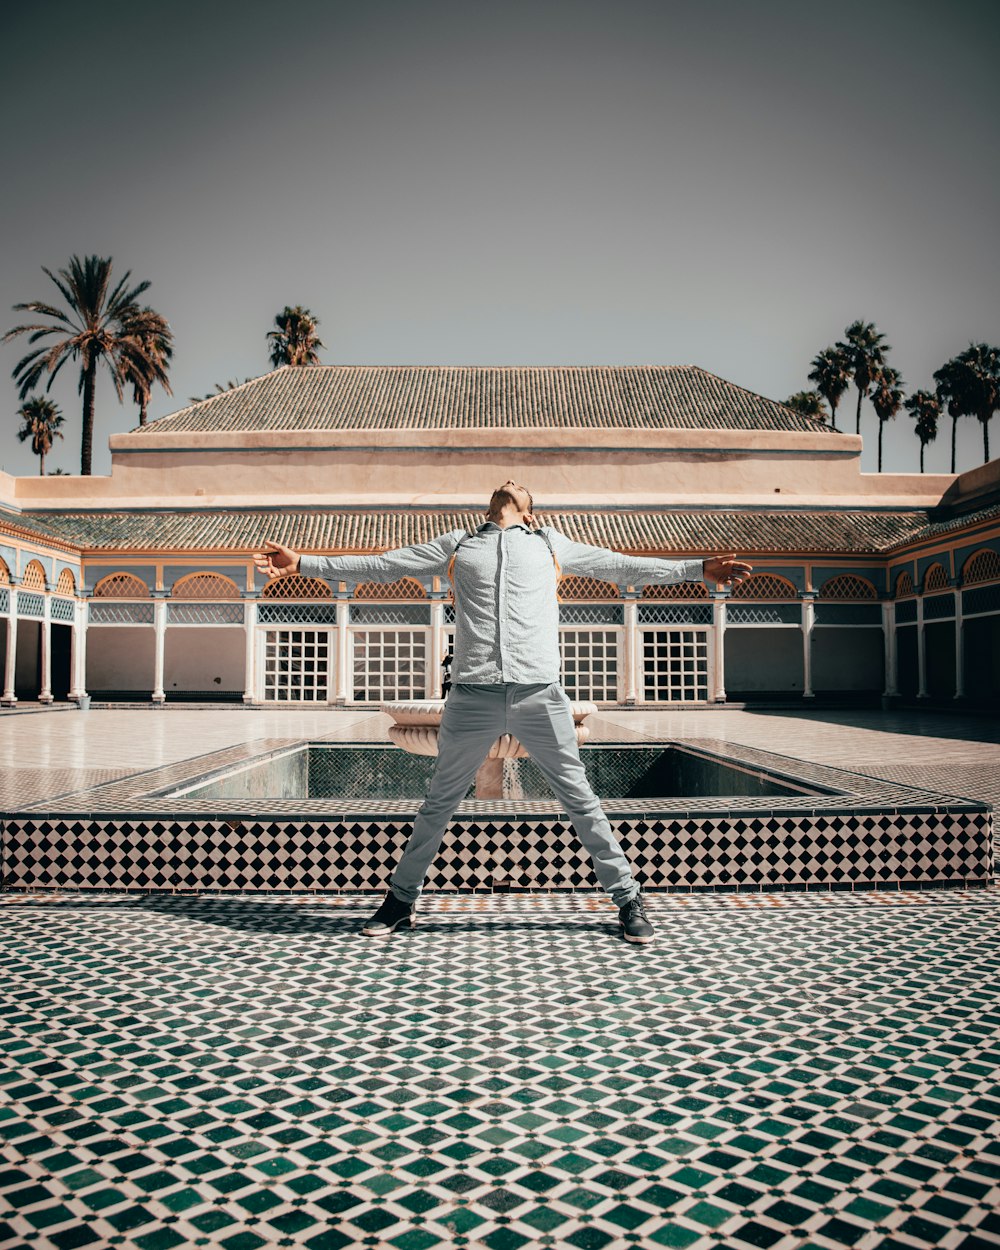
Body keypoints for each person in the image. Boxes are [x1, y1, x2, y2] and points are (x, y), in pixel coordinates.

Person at [254, 481, 752, 944]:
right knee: (438, 804)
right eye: (504, 484)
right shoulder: (457, 543)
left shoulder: (552, 545)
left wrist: (694, 569)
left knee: (580, 800)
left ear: (530, 509)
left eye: (518, 486)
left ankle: (627, 899)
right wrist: (303, 563)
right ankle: (401, 901)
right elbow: (385, 564)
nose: (508, 480)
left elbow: (621, 565)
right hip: (472, 697)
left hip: (540, 695)